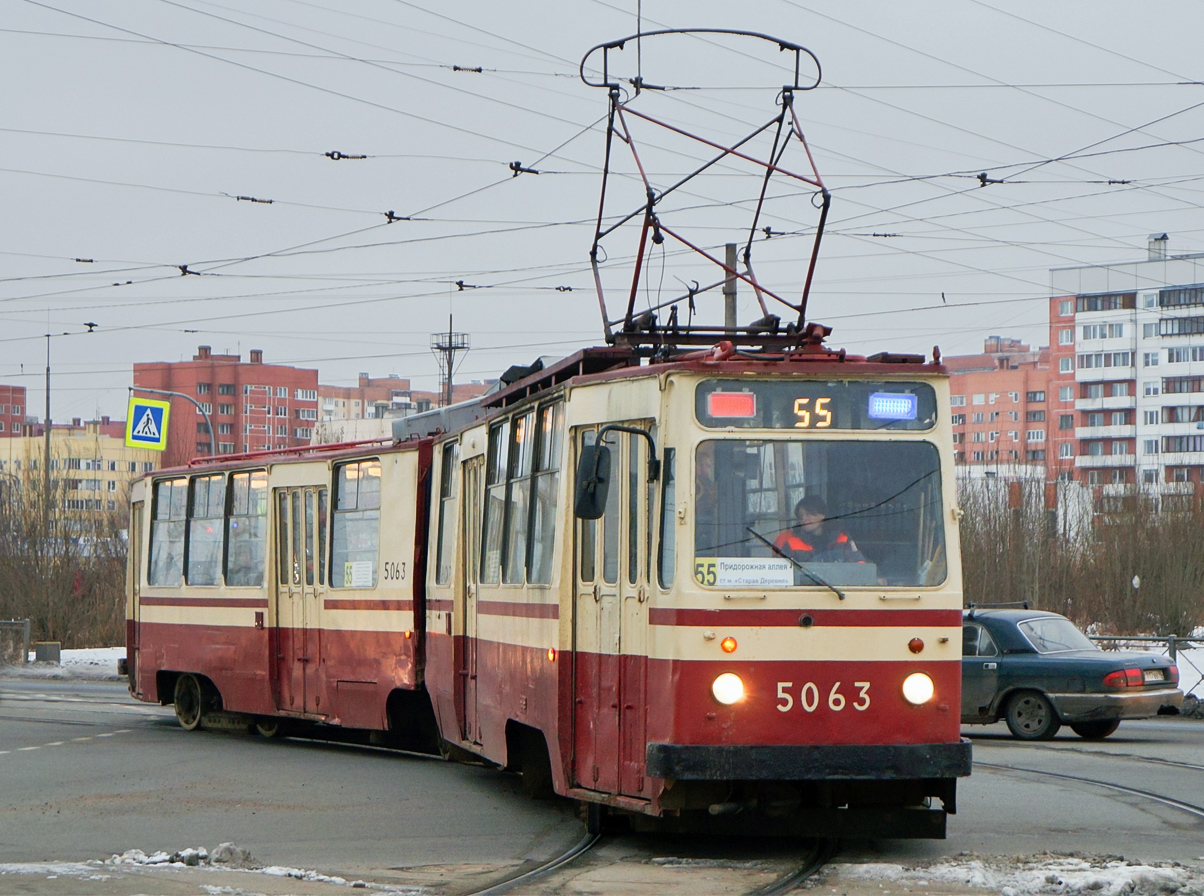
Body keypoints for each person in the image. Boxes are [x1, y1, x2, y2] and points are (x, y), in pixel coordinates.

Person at [773, 495, 861, 561]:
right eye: (801, 515)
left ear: (822, 514)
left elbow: (859, 567)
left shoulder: (842, 538)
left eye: (809, 514)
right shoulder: (790, 542)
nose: (804, 519)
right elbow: (780, 573)